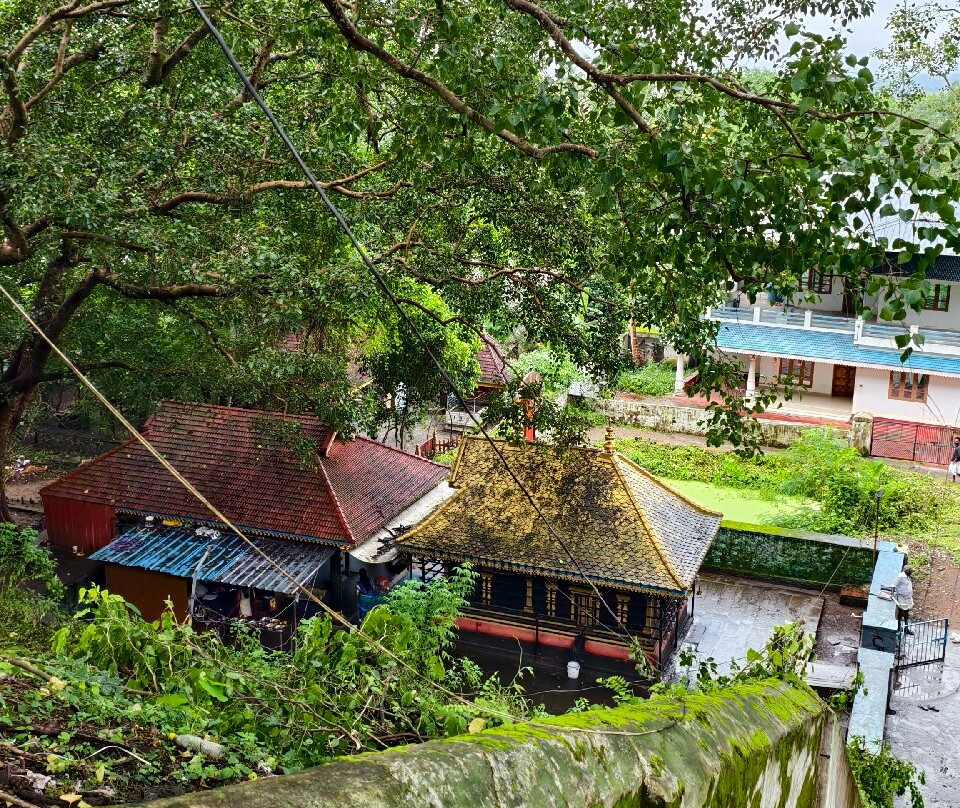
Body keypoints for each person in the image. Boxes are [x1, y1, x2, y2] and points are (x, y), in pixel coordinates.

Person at [892, 565, 915, 636]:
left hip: (907, 598)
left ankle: (906, 628)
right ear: (907, 571)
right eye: (910, 571)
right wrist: (892, 595)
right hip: (901, 598)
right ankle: (899, 628)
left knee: (906, 613)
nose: (911, 573)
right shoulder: (901, 577)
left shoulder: (907, 576)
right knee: (901, 613)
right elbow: (893, 585)